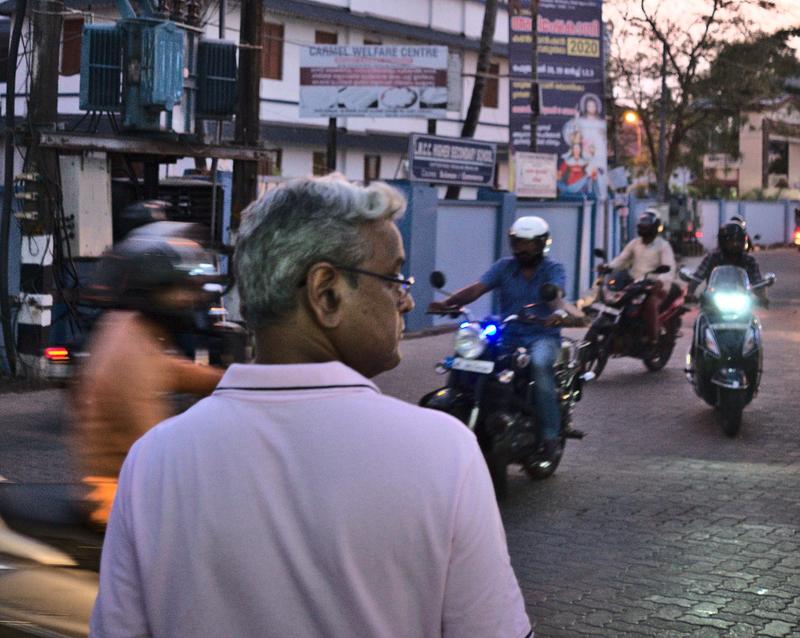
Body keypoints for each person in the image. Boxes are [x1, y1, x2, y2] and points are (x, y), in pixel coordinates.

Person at [90, 177, 531, 638]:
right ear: (326, 293)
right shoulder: (445, 453)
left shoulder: (155, 460)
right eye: (395, 278)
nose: (407, 300)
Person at [72, 227, 224, 527]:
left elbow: (179, 372)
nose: (189, 299)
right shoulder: (130, 354)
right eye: (180, 290)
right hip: (119, 507)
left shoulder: (130, 329)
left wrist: (246, 379)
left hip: (130, 493)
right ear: (155, 293)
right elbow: (155, 450)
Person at [429, 214, 568, 462]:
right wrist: (448, 304)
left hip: (541, 336)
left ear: (541, 244)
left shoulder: (553, 269)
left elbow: (556, 294)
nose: (522, 248)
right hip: (509, 334)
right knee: (469, 355)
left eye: (528, 243)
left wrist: (558, 313)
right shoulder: (504, 266)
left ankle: (550, 437)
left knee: (539, 365)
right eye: (518, 242)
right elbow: (478, 288)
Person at [604, 209, 676, 345]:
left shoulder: (663, 246)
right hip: (636, 283)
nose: (644, 229)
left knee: (650, 304)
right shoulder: (635, 243)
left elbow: (669, 268)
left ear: (654, 228)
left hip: (654, 286)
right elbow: (621, 260)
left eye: (647, 226)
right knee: (617, 300)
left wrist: (660, 281)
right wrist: (608, 267)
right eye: (642, 226)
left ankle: (653, 338)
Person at [686, 219, 768, 305]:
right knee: (701, 318)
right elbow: (698, 276)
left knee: (753, 319)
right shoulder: (712, 258)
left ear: (743, 241)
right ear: (722, 242)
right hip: (712, 303)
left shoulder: (749, 261)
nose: (735, 244)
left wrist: (762, 297)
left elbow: (757, 281)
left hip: (741, 303)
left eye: (738, 241)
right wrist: (690, 293)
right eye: (730, 241)